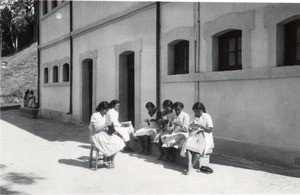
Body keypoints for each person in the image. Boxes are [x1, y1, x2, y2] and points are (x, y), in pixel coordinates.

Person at [180, 102, 214, 175]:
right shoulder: (192, 117)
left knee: (199, 149)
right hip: (194, 134)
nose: (197, 113)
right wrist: (191, 127)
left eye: (199, 111)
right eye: (195, 111)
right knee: (188, 146)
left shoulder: (206, 116)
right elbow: (189, 129)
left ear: (202, 110)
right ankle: (190, 166)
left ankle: (190, 167)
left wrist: (201, 125)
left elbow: (210, 130)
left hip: (204, 134)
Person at [89, 101, 125, 168]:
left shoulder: (104, 116)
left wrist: (112, 130)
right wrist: (106, 125)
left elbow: (106, 127)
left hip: (102, 134)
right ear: (101, 108)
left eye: (107, 110)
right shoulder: (95, 115)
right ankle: (110, 160)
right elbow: (96, 129)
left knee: (119, 141)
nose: (106, 112)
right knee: (112, 143)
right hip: (95, 136)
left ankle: (111, 159)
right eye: (105, 110)